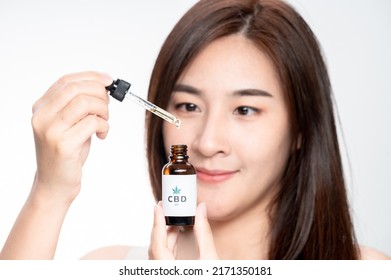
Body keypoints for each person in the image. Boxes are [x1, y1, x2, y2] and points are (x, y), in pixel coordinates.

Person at [0, 0, 389, 260]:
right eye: (188, 106)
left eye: (245, 109)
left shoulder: (367, 269)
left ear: (302, 126)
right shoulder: (108, 264)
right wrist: (49, 192)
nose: (207, 142)